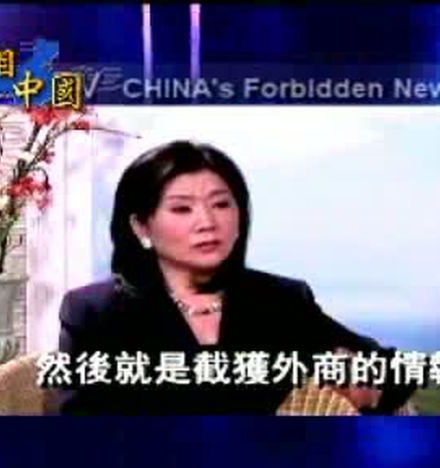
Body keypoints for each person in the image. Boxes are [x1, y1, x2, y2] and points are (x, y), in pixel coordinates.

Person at [55, 140, 416, 414]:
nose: (207, 222)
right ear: (141, 226)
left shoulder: (280, 301)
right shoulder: (94, 313)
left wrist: (369, 388)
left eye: (221, 204)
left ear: (240, 217)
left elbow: (395, 369)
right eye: (182, 208)